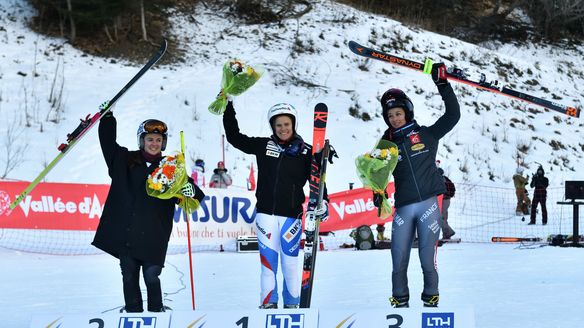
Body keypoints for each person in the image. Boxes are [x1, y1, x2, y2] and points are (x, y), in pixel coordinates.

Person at [92, 110, 205, 313]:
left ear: (163, 143)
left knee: (152, 275)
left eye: (158, 140)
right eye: (150, 139)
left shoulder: (171, 168)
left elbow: (196, 197)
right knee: (129, 274)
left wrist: (191, 191)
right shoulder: (124, 160)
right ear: (141, 140)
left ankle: (156, 312)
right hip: (127, 231)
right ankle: (133, 313)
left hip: (154, 233)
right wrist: (108, 118)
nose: (154, 143)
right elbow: (107, 143)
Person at [222, 100, 329, 309]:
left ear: (293, 125)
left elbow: (318, 181)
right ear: (273, 126)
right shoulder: (263, 146)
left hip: (292, 216)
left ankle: (292, 305)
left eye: (286, 124)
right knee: (268, 265)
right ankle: (268, 304)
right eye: (278, 125)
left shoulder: (306, 152)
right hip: (265, 215)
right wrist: (228, 108)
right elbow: (235, 138)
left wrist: (324, 200)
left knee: (290, 264)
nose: (283, 129)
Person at [372, 63, 460, 308]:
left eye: (398, 114)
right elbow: (375, 175)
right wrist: (377, 193)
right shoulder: (385, 145)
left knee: (426, 258)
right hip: (403, 208)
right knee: (398, 258)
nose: (394, 119)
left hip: (429, 206)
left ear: (407, 112)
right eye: (390, 116)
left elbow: (453, 115)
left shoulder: (427, 135)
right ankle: (399, 301)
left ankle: (431, 298)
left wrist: (443, 84)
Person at [438, 167, 456, 239]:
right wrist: (449, 196)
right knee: (444, 218)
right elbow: (453, 189)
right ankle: (446, 235)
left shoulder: (438, 180)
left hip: (442, 200)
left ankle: (449, 232)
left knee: (438, 218)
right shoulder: (446, 178)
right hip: (447, 200)